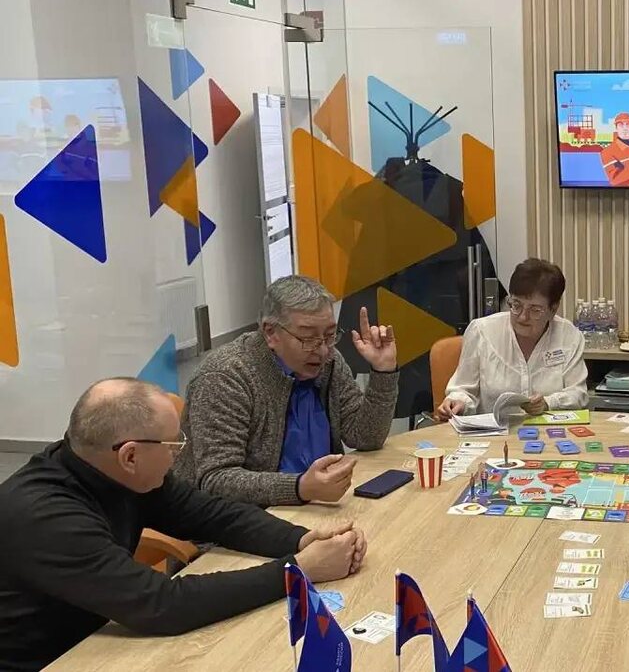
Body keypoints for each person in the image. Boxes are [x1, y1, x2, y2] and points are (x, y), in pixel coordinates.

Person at [0, 378, 367, 672]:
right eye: (173, 445)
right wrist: (298, 570)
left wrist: (301, 540)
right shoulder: (46, 518)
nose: (178, 455)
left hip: (100, 639)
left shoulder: (113, 471)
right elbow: (163, 605)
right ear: (130, 455)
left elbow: (213, 515)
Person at [173, 275, 399, 507]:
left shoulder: (329, 362)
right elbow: (216, 480)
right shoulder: (225, 377)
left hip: (317, 504)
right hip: (241, 519)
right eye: (308, 338)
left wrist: (383, 371)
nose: (322, 350)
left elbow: (365, 437)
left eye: (330, 335)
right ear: (271, 333)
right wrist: (299, 487)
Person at [435, 258, 588, 420]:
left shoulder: (569, 336)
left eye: (535, 310)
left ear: (553, 309)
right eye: (516, 305)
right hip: (493, 431)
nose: (522, 317)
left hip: (550, 431)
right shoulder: (482, 331)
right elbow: (463, 389)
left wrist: (548, 403)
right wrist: (457, 402)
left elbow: (578, 394)